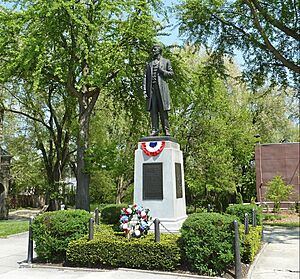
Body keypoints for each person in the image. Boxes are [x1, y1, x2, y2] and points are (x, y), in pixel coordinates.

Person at [143, 44, 174, 136]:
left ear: (159, 50)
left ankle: (166, 129)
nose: (153, 51)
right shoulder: (149, 64)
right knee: (153, 110)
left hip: (162, 90)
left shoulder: (166, 61)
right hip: (152, 90)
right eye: (152, 49)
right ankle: (154, 129)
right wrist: (145, 91)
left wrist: (162, 72)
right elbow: (145, 78)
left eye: (155, 49)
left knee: (163, 110)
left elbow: (172, 74)